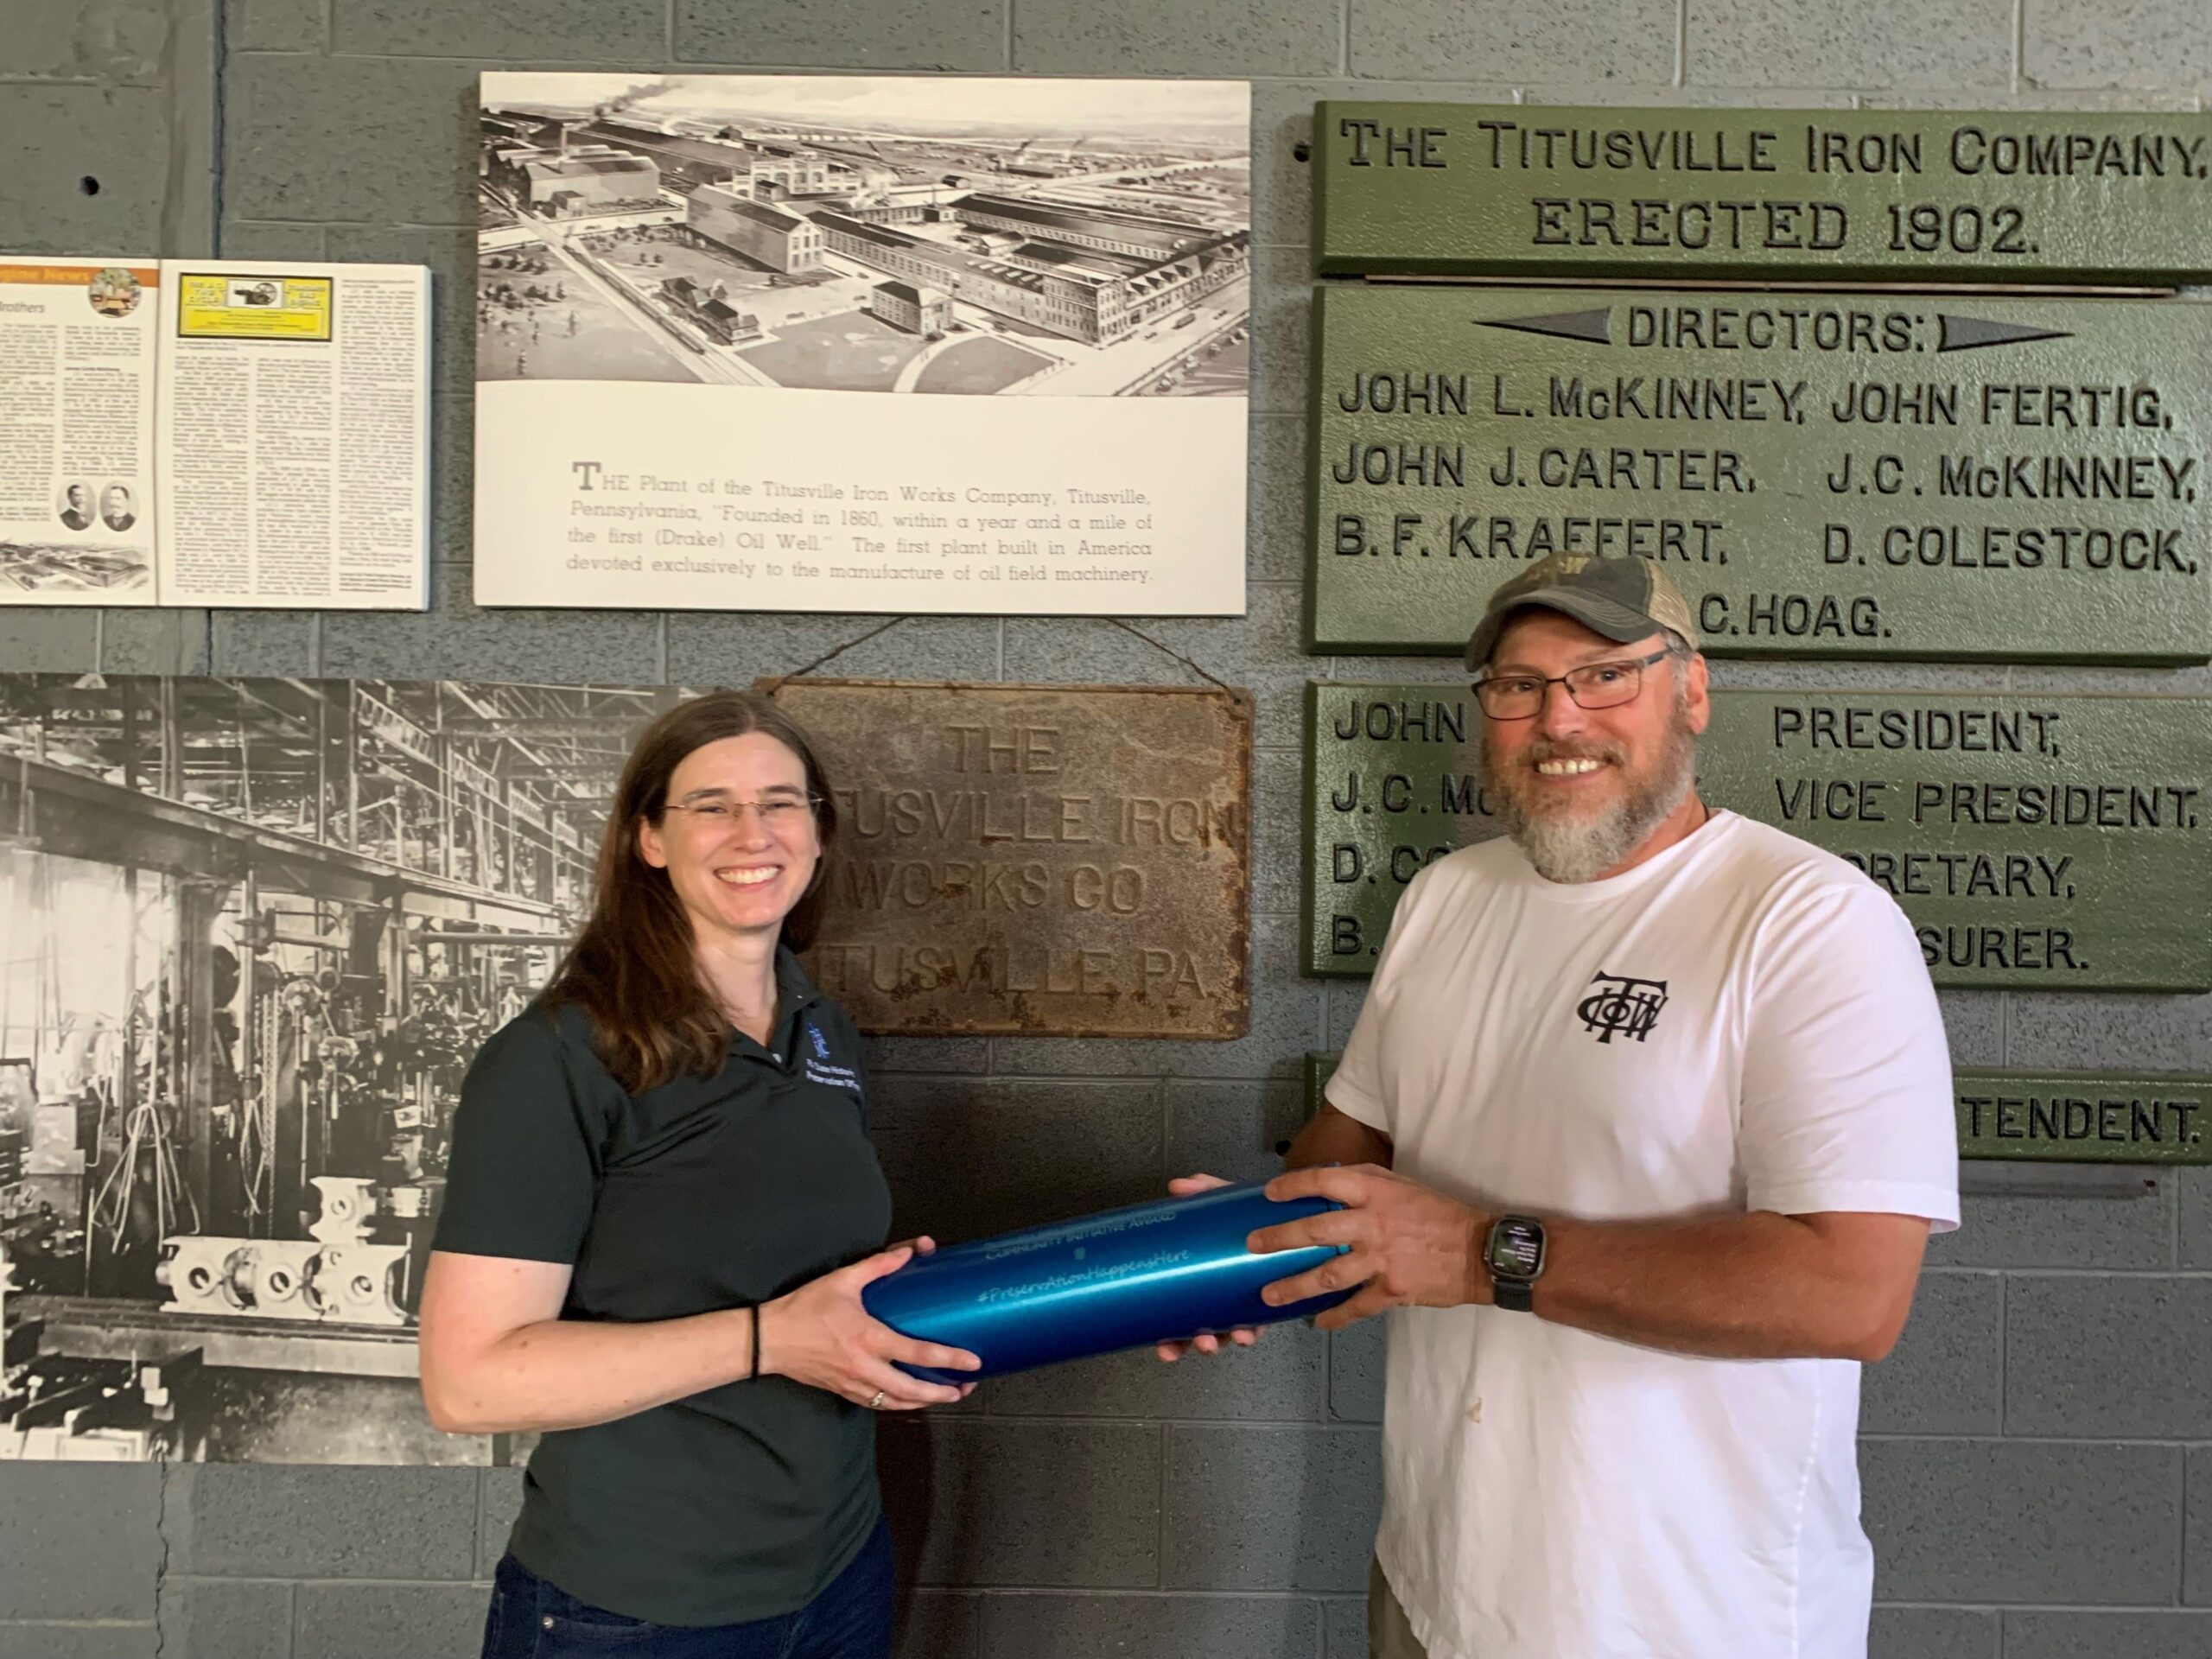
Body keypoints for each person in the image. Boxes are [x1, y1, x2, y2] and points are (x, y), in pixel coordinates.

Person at [1237, 554, 1959, 1659]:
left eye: (1606, 675)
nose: (1558, 717)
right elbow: (1350, 1150)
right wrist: (1223, 1259)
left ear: (1693, 693)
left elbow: (1849, 1293)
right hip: (1436, 1586)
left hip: (1680, 1615)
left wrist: (1481, 1255)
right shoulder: (1447, 897)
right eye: (1518, 685)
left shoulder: (1809, 922)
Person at [418, 691, 979, 1659]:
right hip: (639, 1607)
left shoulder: (822, 1031)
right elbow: (468, 1385)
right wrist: (771, 1340)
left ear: (817, 831)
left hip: (839, 1573)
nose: (751, 833)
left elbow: (801, 1279)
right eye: (710, 805)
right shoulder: (559, 1056)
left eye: (780, 802)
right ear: (648, 839)